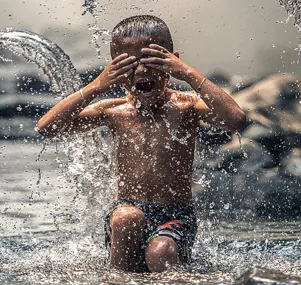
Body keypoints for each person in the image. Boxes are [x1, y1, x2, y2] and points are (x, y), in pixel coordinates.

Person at [36, 15, 246, 272]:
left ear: (172, 61)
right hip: (125, 213)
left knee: (161, 252)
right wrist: (97, 86)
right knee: (127, 218)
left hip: (176, 216)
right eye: (128, 64)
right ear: (114, 69)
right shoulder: (114, 110)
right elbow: (47, 128)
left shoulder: (186, 106)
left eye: (151, 60)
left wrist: (189, 73)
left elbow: (234, 119)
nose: (141, 71)